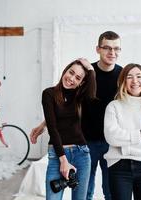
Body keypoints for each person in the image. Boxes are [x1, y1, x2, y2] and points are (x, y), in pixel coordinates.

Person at [31, 31, 122, 200]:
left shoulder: (122, 76)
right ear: (98, 49)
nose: (112, 53)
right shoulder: (86, 74)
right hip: (87, 141)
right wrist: (45, 123)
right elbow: (66, 105)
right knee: (86, 191)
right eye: (107, 48)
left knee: (111, 190)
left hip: (112, 142)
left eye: (116, 49)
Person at [103, 64, 141, 200]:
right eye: (129, 77)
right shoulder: (114, 106)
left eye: (139, 76)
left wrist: (124, 147)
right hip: (118, 167)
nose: (135, 81)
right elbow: (112, 137)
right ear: (123, 82)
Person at [42, 59, 96, 200]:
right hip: (57, 155)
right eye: (70, 72)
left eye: (77, 78)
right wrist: (63, 160)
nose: (71, 79)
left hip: (81, 154)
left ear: (81, 82)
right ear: (65, 70)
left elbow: (92, 88)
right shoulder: (49, 94)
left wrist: (91, 69)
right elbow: (52, 128)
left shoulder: (80, 97)